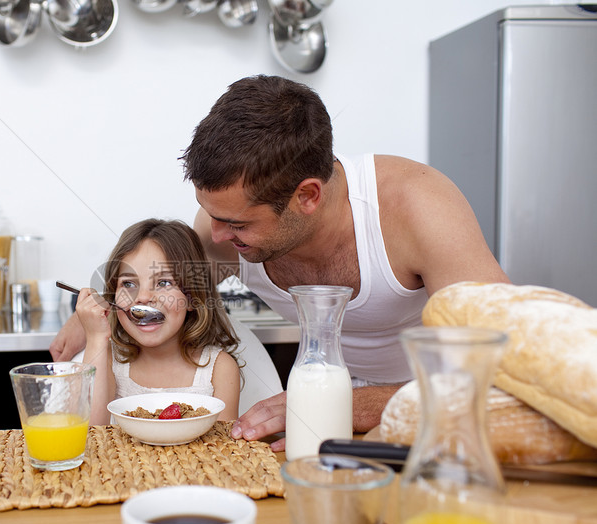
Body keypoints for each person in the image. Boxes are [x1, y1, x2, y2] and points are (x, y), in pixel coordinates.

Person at [51, 74, 509, 449]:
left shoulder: (417, 208)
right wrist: (99, 304)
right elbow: (158, 270)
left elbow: (505, 369)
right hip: (316, 416)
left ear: (307, 196)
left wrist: (359, 404)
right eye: (211, 215)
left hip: (437, 417)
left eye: (238, 225)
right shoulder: (221, 226)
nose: (217, 237)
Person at [75, 218, 242, 425]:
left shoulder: (219, 368)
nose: (143, 296)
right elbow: (90, 435)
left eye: (163, 282)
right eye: (128, 283)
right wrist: (96, 337)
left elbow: (223, 449)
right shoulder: (108, 360)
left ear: (192, 298)